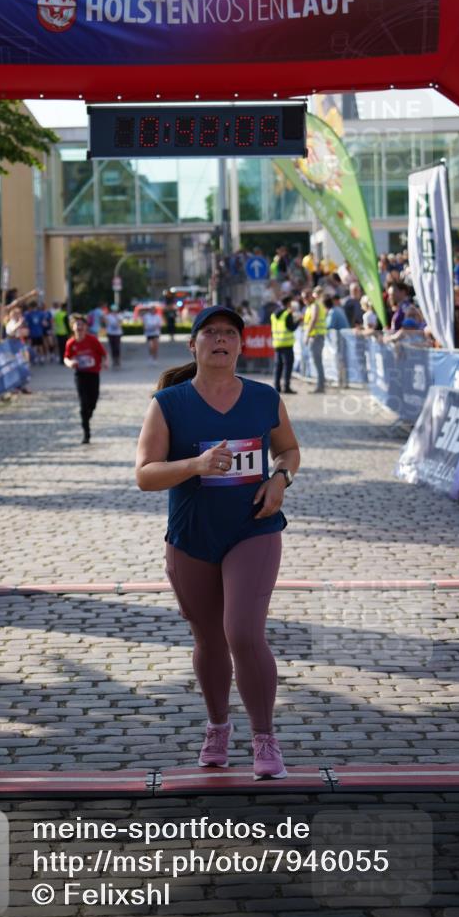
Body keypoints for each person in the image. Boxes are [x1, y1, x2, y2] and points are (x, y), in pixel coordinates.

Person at [135, 306, 301, 780]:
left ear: (241, 346)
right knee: (209, 639)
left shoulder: (265, 398)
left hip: (254, 528)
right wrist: (195, 465)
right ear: (194, 345)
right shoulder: (168, 403)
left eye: (230, 333)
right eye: (210, 333)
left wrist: (281, 479)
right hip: (192, 537)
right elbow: (145, 475)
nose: (221, 340)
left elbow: (288, 449)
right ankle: (218, 727)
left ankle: (265, 738)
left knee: (243, 633)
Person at [64, 314, 109, 443]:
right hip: (80, 375)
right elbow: (66, 358)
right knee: (83, 404)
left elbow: (104, 354)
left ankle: (87, 416)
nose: (79, 327)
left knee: (93, 402)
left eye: (82, 324)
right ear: (72, 327)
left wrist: (105, 362)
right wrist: (70, 363)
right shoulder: (71, 343)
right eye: (77, 324)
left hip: (94, 374)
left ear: (86, 327)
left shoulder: (92, 340)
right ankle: (86, 433)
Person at [270, 295, 298, 394]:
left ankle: (276, 387)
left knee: (278, 366)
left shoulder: (273, 315)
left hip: (277, 343)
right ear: (288, 303)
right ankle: (286, 387)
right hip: (286, 344)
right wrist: (298, 321)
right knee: (287, 366)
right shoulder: (287, 314)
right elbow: (292, 327)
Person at [302, 287, 327, 393]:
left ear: (310, 296)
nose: (304, 300)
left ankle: (320, 386)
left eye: (306, 297)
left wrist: (306, 335)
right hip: (317, 336)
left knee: (318, 362)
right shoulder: (313, 305)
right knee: (318, 362)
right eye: (303, 298)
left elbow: (314, 319)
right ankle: (320, 385)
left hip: (316, 336)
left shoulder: (315, 305)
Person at [105, 303, 123, 368]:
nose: (114, 311)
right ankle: (114, 360)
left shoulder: (119, 316)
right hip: (110, 333)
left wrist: (116, 319)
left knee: (117, 347)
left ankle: (118, 360)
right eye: (113, 310)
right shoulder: (108, 316)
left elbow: (120, 323)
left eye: (115, 310)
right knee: (112, 347)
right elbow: (107, 323)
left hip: (117, 333)